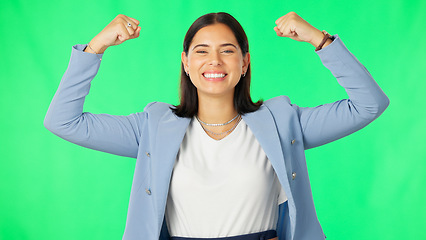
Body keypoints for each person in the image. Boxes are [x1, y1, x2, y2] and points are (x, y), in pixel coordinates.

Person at [44, 12, 389, 240]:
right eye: (201, 51)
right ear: (186, 62)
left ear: (244, 62)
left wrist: (319, 39)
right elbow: (63, 120)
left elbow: (369, 104)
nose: (214, 61)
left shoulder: (283, 121)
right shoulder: (153, 126)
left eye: (227, 50)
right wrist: (97, 46)